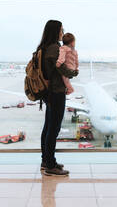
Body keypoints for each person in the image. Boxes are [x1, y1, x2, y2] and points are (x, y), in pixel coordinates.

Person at [38, 20, 79, 176]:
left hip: (49, 92)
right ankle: (50, 165)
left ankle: (46, 160)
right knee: (53, 129)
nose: (63, 32)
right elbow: (62, 69)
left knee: (48, 127)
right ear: (56, 31)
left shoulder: (45, 47)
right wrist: (73, 73)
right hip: (56, 92)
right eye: (61, 30)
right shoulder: (55, 48)